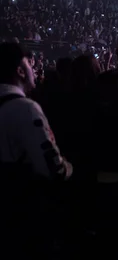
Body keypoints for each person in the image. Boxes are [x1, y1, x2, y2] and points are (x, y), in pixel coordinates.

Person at [0, 42, 72, 180]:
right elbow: (53, 169)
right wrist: (68, 167)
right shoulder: (25, 109)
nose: (33, 70)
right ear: (20, 71)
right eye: (30, 64)